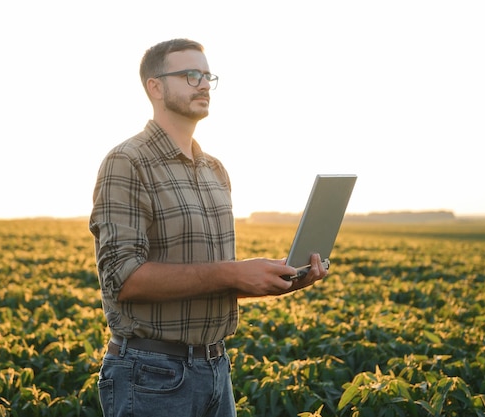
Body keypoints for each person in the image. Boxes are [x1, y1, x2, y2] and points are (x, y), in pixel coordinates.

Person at [89, 38, 328, 417]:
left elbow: (209, 280)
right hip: (152, 376)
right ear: (155, 87)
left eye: (207, 76)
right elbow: (123, 279)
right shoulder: (127, 161)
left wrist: (270, 279)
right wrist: (233, 272)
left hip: (216, 370)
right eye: (189, 75)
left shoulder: (215, 170)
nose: (203, 84)